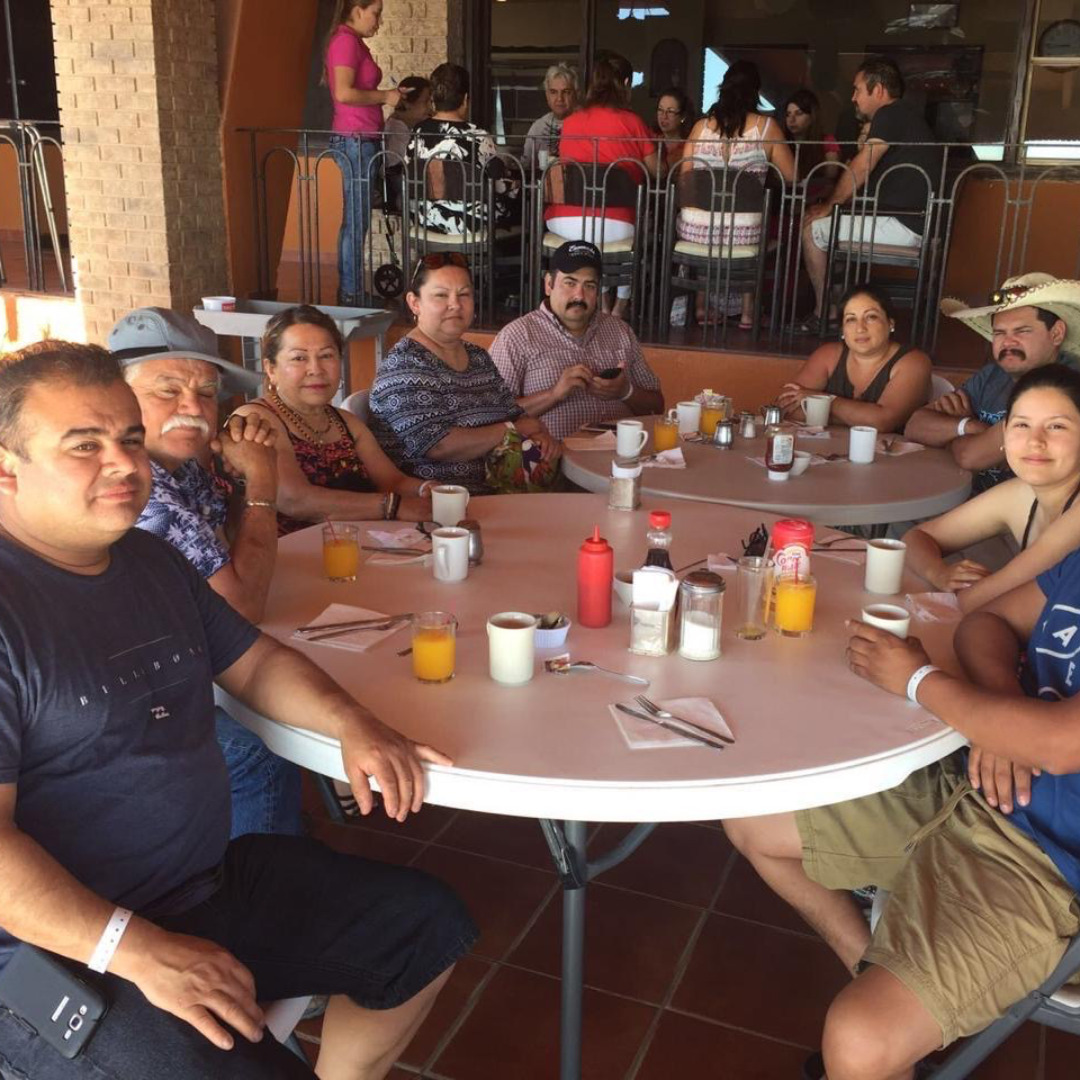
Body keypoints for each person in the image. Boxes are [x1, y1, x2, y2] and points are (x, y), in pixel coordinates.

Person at [0, 340, 476, 1080]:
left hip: (202, 885)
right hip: (54, 950)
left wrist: (352, 723)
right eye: (84, 446)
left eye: (130, 438)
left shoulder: (148, 562)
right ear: (7, 467)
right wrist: (137, 950)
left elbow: (254, 661)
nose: (124, 464)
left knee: (426, 928)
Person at [111, 307, 304, 841]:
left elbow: (234, 557)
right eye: (167, 390)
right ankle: (257, 873)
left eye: (205, 392)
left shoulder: (180, 469)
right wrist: (262, 480)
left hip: (172, 658)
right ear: (116, 398)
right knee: (257, 752)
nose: (192, 408)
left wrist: (240, 472)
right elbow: (243, 607)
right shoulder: (143, 491)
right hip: (124, 695)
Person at [229, 304, 433, 535]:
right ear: (271, 369)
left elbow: (392, 481)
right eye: (299, 358)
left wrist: (428, 489)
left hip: (356, 545)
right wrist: (391, 506)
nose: (315, 369)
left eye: (326, 355)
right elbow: (294, 499)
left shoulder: (345, 422)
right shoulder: (256, 419)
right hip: (286, 551)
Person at [369, 253, 559, 493]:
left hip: (499, 492)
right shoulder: (405, 364)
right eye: (441, 295)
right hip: (438, 502)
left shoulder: (478, 357)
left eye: (464, 294)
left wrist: (539, 435)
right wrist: (514, 430)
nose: (455, 305)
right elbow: (438, 445)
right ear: (414, 303)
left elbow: (514, 415)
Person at [904, 364, 1080, 614]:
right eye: (1022, 425)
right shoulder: (1022, 494)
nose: (1035, 441)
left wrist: (961, 591)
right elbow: (916, 538)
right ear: (1004, 432)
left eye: (1056, 426)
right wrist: (940, 573)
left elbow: (975, 601)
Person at [904, 272, 1078, 493]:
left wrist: (953, 437)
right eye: (999, 333)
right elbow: (915, 426)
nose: (1008, 342)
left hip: (1028, 510)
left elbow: (969, 457)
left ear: (1056, 334)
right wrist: (969, 425)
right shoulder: (993, 374)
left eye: (1022, 331)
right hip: (973, 498)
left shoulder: (1063, 384)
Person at [801, 55, 939, 331]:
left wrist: (831, 205)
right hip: (912, 222)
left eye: (857, 90)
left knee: (812, 229)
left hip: (903, 224)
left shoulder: (890, 113)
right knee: (830, 228)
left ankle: (825, 313)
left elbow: (864, 164)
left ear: (878, 90)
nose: (853, 98)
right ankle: (841, 306)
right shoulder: (906, 115)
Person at [490, 240, 663, 440]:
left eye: (589, 286)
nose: (579, 296)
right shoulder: (517, 336)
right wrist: (554, 394)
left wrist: (626, 392)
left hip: (622, 453)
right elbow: (492, 414)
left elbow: (657, 406)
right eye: (570, 283)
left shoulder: (620, 331)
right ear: (549, 284)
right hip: (555, 456)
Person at [677, 61, 795, 329]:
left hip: (698, 229)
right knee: (755, 227)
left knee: (705, 223)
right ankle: (747, 312)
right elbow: (793, 176)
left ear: (723, 88)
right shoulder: (767, 128)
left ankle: (700, 306)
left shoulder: (700, 128)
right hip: (744, 231)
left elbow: (685, 176)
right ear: (755, 92)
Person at [548, 52, 662, 319]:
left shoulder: (571, 121)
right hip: (616, 224)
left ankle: (602, 302)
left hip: (566, 221)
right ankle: (619, 306)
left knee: (601, 237)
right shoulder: (633, 122)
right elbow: (658, 170)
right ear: (626, 83)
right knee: (631, 237)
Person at [323, 0, 401, 305]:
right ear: (357, 9)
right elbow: (343, 93)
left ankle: (351, 292)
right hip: (355, 140)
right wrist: (385, 96)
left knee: (357, 220)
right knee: (356, 221)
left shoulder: (350, 41)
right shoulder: (345, 41)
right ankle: (351, 295)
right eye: (375, 13)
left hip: (360, 139)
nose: (378, 21)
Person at [776, 282, 931, 433]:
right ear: (842, 329)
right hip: (828, 447)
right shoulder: (828, 355)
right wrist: (859, 416)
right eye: (851, 319)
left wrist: (825, 401)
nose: (860, 328)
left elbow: (883, 422)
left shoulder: (913, 362)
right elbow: (787, 408)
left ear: (890, 323)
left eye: (871, 317)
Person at [407, 63, 519, 234]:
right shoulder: (479, 136)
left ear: (433, 99)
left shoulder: (418, 131)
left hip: (425, 221)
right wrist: (515, 184)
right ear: (465, 99)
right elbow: (497, 183)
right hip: (469, 227)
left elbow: (409, 173)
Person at [782, 87, 840, 201]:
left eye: (799, 113)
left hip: (816, 203)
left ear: (812, 116)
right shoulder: (782, 142)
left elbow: (831, 176)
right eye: (788, 114)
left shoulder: (827, 141)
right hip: (786, 202)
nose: (791, 120)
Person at [522, 64, 579, 166]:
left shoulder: (586, 125)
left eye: (566, 92)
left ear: (576, 94)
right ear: (547, 95)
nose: (559, 98)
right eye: (553, 92)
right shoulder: (538, 127)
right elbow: (526, 166)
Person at [383, 75, 432, 163]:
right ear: (407, 103)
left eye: (431, 102)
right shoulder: (397, 131)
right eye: (425, 102)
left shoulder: (407, 126)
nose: (430, 107)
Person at [652, 86, 695, 170]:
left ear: (682, 116)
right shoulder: (651, 139)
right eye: (660, 110)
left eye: (670, 111)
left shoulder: (688, 147)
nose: (664, 116)